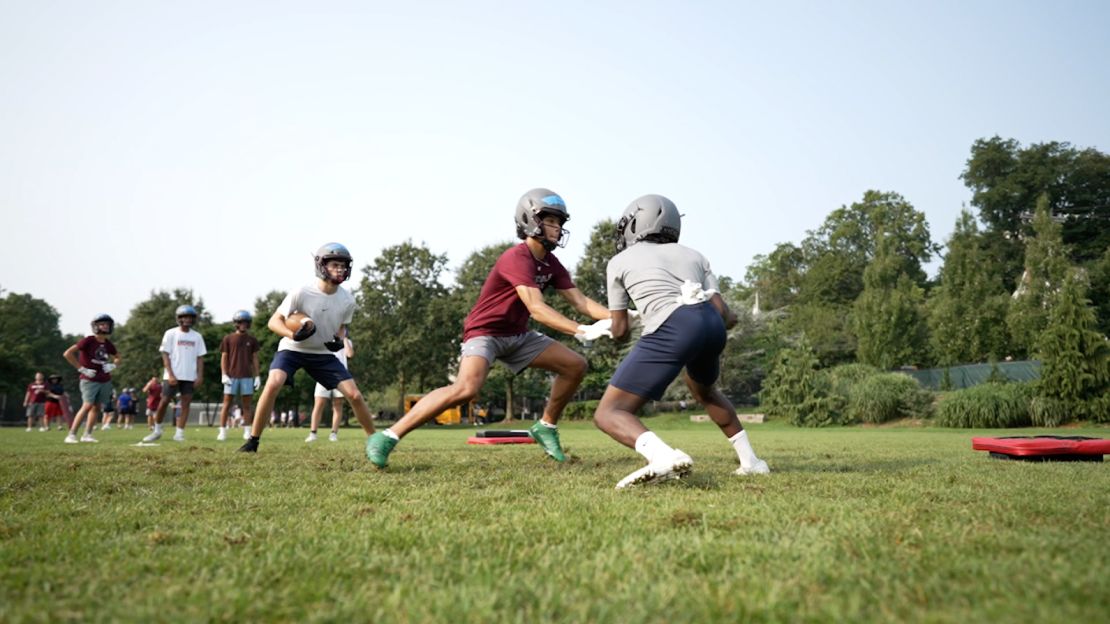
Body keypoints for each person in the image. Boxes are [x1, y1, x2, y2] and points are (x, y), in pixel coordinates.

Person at [366, 188, 612, 468]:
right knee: (466, 389)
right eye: (551, 221)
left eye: (559, 223)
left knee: (575, 366)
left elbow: (580, 301)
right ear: (529, 221)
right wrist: (581, 330)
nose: (557, 228)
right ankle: (387, 436)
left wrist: (623, 316)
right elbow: (537, 308)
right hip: (485, 333)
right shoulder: (516, 257)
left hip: (517, 334)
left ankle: (546, 426)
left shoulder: (551, 264)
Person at [594, 194, 769, 489]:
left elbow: (620, 329)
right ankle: (752, 462)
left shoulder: (619, 261)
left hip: (674, 325)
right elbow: (722, 313)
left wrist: (600, 328)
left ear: (635, 223)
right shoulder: (695, 255)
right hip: (711, 326)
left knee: (609, 412)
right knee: (704, 390)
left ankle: (662, 457)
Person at [237, 243, 376, 452]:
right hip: (292, 348)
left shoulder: (348, 300)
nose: (340, 269)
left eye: (343, 265)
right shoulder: (301, 291)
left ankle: (376, 442)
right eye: (335, 265)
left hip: (322, 353)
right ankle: (253, 441)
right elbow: (273, 322)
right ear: (321, 266)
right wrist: (292, 333)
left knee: (354, 395)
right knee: (274, 383)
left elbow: (341, 328)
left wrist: (339, 340)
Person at [142, 305, 207, 443]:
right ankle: (157, 430)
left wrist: (200, 376)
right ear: (178, 318)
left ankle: (179, 433)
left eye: (190, 317)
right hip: (172, 376)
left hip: (189, 376)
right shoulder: (170, 333)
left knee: (186, 404)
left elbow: (200, 357)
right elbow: (165, 355)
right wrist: (170, 374)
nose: (187, 320)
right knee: (164, 402)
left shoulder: (197, 336)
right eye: (184, 317)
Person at [63, 314, 120, 444]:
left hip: (104, 379)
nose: (105, 326)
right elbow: (68, 353)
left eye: (107, 324)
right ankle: (71, 435)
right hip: (89, 379)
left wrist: (114, 365)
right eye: (102, 324)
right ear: (95, 326)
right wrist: (81, 369)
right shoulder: (88, 340)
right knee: (87, 405)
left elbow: (118, 357)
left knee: (96, 407)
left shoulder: (108, 344)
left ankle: (87, 435)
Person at [217, 309, 261, 441]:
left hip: (247, 376)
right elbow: (224, 357)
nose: (243, 324)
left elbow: (255, 358)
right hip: (231, 376)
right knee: (226, 404)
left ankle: (247, 431)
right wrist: (224, 374)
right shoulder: (228, 339)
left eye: (246, 322)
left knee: (247, 405)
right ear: (236, 323)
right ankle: (222, 431)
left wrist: (257, 376)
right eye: (241, 322)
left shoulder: (252, 340)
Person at [306, 335, 354, 443]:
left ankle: (333, 433)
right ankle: (313, 433)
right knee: (319, 403)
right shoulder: (324, 338)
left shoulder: (347, 341)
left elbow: (350, 354)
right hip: (323, 373)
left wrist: (345, 339)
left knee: (337, 404)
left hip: (341, 376)